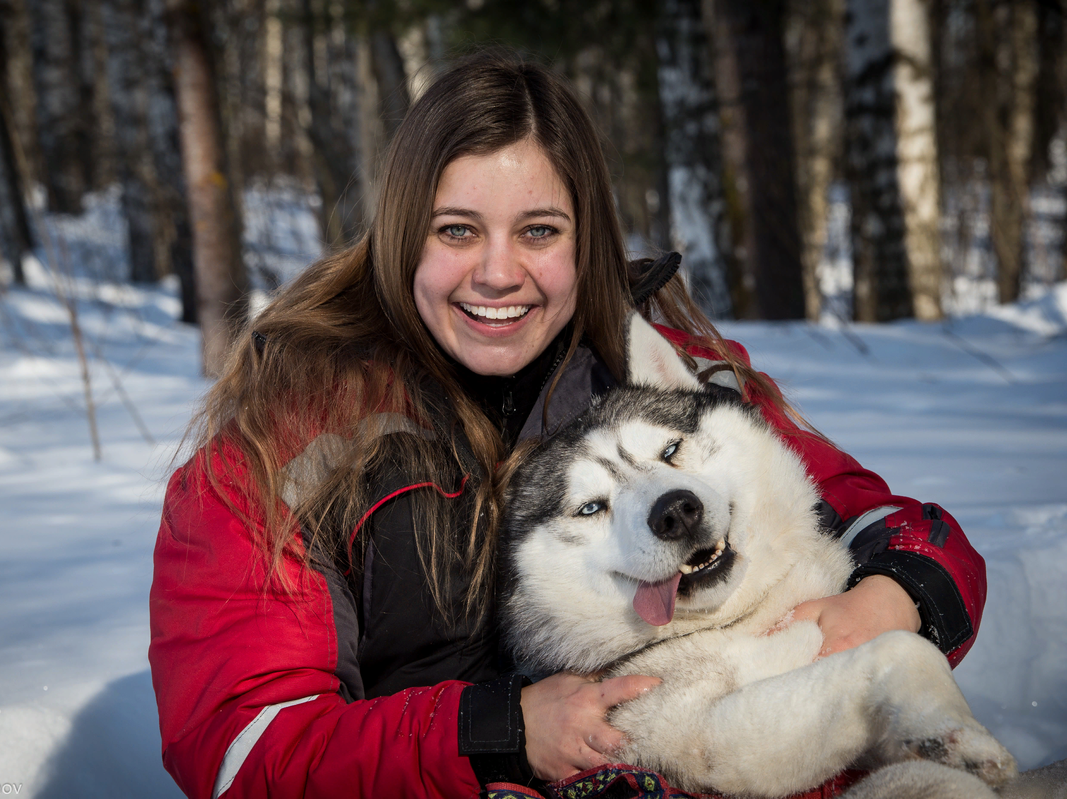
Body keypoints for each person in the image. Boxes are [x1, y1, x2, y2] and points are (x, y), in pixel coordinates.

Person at [149, 50, 985, 799]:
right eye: (457, 230)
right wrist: (497, 733)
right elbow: (243, 751)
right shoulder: (284, 438)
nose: (499, 273)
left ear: (585, 239)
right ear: (402, 234)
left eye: (539, 231)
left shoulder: (663, 364)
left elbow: (888, 523)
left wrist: (893, 595)